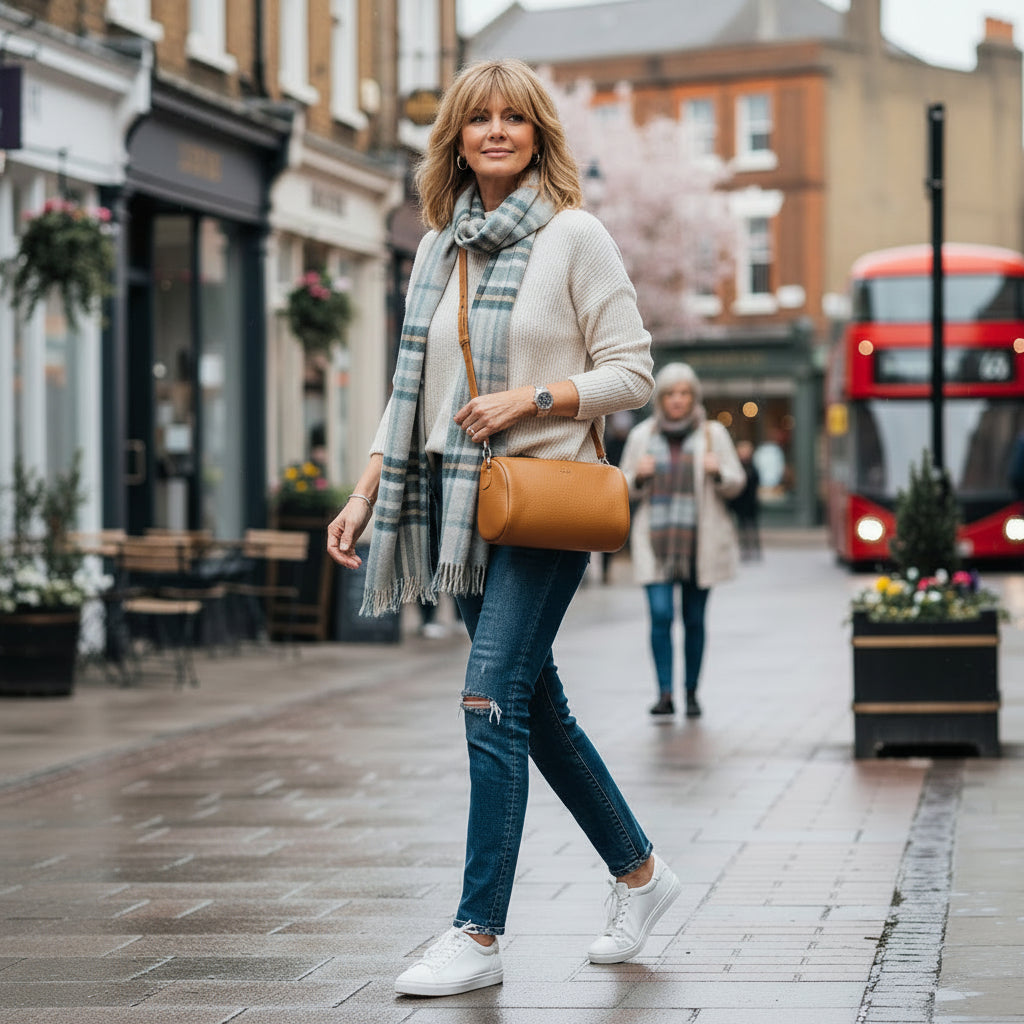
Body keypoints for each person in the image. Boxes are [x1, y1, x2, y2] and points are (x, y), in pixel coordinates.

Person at [326, 58, 679, 998]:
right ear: (455, 136)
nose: (494, 131)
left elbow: (634, 371)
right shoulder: (438, 247)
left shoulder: (576, 237)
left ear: (537, 135)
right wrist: (366, 489)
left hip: (548, 493)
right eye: (477, 118)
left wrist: (538, 395)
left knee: (489, 696)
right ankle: (641, 874)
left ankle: (477, 932)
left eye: (512, 118)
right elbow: (414, 391)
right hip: (457, 502)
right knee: (536, 705)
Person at [620, 363, 745, 719]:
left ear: (694, 397)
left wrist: (717, 470)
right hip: (655, 543)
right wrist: (636, 477)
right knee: (660, 615)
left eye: (684, 393)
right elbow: (620, 488)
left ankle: (691, 692)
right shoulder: (642, 436)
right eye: (671, 394)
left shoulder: (713, 434)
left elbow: (736, 481)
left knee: (694, 619)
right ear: (661, 398)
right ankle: (664, 693)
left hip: (698, 544)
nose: (677, 400)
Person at [730, 439, 762, 560]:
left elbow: (756, 482)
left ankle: (754, 549)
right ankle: (744, 549)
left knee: (752, 526)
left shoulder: (752, 467)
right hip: (739, 502)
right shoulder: (737, 465)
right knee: (741, 526)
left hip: (750, 502)